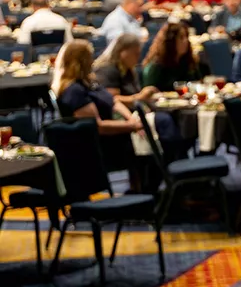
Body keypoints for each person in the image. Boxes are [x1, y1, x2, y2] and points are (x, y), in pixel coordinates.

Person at [54, 39, 142, 173]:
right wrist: (132, 126)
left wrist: (131, 118)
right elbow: (97, 126)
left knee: (155, 124)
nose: (93, 61)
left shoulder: (89, 81)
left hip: (118, 127)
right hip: (101, 143)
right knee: (157, 126)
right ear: (81, 62)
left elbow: (113, 101)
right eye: (90, 57)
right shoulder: (73, 91)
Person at [94, 33, 156, 108]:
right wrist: (139, 97)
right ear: (122, 52)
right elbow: (112, 100)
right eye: (135, 54)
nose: (138, 57)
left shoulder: (129, 70)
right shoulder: (108, 70)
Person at [141, 21, 205, 92]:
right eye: (181, 37)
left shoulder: (190, 62)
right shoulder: (156, 67)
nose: (186, 41)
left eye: (186, 36)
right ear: (171, 41)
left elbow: (199, 85)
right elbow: (149, 94)